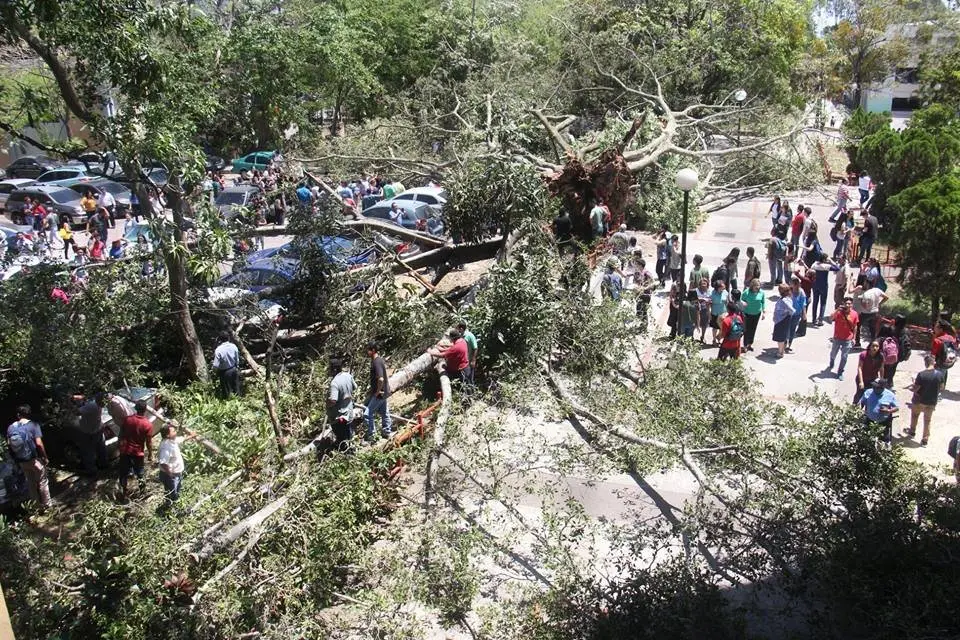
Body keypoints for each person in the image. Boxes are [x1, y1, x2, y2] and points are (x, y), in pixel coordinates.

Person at [6, 404, 51, 510]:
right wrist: (45, 457)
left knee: (30, 483)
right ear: (29, 414)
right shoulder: (33, 425)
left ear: (18, 415)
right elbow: (39, 444)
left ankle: (36, 506)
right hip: (34, 460)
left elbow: (9, 444)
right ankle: (47, 505)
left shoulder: (11, 428)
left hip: (21, 461)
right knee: (42, 481)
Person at [118, 400, 153, 499]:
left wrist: (120, 446)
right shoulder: (147, 424)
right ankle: (143, 492)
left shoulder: (127, 420)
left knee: (123, 472)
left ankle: (124, 492)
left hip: (125, 451)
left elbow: (121, 434)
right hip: (138, 453)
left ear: (135, 408)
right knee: (140, 473)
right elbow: (149, 442)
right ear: (145, 409)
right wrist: (150, 453)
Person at [905, 355, 943, 447]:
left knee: (915, 416)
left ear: (925, 363)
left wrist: (912, 386)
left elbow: (916, 389)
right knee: (927, 420)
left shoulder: (921, 374)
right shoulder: (940, 374)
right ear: (934, 362)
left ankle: (912, 432)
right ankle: (925, 439)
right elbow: (942, 388)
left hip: (920, 401)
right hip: (932, 402)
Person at [364, 341, 392, 442]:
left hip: (380, 393)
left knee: (367, 414)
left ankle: (372, 436)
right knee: (384, 412)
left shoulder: (376, 362)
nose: (367, 352)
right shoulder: (378, 360)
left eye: (368, 350)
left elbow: (381, 379)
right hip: (384, 392)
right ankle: (387, 431)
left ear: (373, 350)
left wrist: (377, 391)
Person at [327, 357, 357, 449]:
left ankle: (346, 453)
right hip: (349, 412)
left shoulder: (334, 383)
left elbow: (333, 401)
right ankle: (351, 449)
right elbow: (355, 387)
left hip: (339, 417)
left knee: (342, 439)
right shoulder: (348, 375)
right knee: (349, 435)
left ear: (333, 369)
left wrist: (327, 403)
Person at [860, 377, 898, 448]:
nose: (874, 388)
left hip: (883, 422)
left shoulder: (890, 395)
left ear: (882, 387)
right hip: (869, 420)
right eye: (873, 386)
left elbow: (896, 407)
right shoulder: (868, 392)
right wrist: (859, 410)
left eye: (876, 387)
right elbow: (862, 402)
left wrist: (888, 411)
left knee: (883, 441)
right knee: (866, 439)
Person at [827, 296, 859, 380]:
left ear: (852, 305)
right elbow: (830, 318)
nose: (848, 305)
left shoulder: (854, 314)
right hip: (837, 337)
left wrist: (854, 338)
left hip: (848, 339)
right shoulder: (839, 312)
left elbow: (855, 326)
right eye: (846, 303)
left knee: (844, 356)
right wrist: (837, 310)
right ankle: (832, 360)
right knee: (833, 353)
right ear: (843, 304)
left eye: (849, 304)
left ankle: (840, 372)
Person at [76, 393, 107, 476]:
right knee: (101, 448)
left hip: (88, 432)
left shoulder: (92, 406)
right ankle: (103, 465)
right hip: (98, 429)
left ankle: (92, 471)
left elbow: (77, 412)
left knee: (88, 452)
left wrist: (71, 405)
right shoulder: (98, 405)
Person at [157, 424, 186, 508]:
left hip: (174, 474)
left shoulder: (171, 441)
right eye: (173, 431)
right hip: (170, 475)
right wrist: (170, 474)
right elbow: (163, 462)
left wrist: (191, 436)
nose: (175, 432)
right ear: (167, 435)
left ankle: (171, 506)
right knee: (173, 493)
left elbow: (179, 440)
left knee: (173, 491)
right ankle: (172, 508)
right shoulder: (166, 446)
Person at [809, 253, 837, 326]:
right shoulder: (826, 266)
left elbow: (811, 268)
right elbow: (837, 268)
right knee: (823, 303)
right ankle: (820, 320)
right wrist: (831, 261)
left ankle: (814, 319)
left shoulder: (814, 265)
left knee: (815, 302)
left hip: (815, 285)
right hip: (823, 286)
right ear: (825, 259)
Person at [212, 332, 241, 398]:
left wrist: (215, 372)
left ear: (220, 340)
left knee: (226, 392)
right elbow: (237, 359)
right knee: (236, 389)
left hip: (224, 373)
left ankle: (228, 405)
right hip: (234, 369)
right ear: (228, 338)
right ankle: (239, 404)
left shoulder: (218, 350)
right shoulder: (234, 346)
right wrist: (237, 367)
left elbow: (215, 365)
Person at [931, 320, 958, 388]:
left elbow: (933, 355)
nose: (934, 328)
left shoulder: (938, 340)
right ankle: (942, 388)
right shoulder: (951, 338)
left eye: (936, 327)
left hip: (939, 363)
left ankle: (937, 392)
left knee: (937, 378)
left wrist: (930, 365)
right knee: (943, 373)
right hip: (948, 362)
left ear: (941, 329)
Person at [741, 278, 765, 352]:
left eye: (758, 286)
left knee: (753, 329)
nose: (757, 287)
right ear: (752, 285)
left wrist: (763, 312)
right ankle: (745, 345)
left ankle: (750, 344)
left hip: (757, 313)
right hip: (747, 313)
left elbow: (763, 302)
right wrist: (743, 303)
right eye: (756, 286)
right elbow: (741, 300)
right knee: (746, 330)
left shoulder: (761, 293)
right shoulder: (747, 292)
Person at [772, 283, 794, 358]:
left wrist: (785, 314)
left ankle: (780, 352)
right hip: (781, 320)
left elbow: (792, 310)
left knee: (780, 338)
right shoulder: (787, 298)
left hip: (781, 320)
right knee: (782, 337)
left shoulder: (784, 300)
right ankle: (781, 351)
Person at [633, 259, 656, 331]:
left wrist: (644, 288)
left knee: (643, 310)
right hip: (639, 294)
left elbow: (653, 283)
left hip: (645, 295)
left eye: (636, 264)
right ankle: (642, 325)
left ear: (640, 265)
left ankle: (644, 326)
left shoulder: (647, 273)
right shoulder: (637, 273)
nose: (635, 266)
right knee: (639, 310)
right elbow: (636, 283)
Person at [786, 275, 807, 353]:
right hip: (788, 314)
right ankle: (784, 344)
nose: (795, 285)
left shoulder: (801, 292)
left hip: (797, 314)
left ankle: (789, 346)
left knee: (792, 330)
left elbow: (803, 303)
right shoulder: (788, 291)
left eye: (796, 284)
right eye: (793, 283)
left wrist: (804, 314)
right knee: (787, 329)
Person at [709, 280, 729, 345]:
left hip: (723, 313)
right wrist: (709, 313)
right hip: (715, 313)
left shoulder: (725, 292)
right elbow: (709, 303)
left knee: (722, 328)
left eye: (723, 287)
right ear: (717, 288)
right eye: (721, 287)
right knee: (715, 328)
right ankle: (714, 340)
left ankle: (719, 339)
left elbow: (727, 302)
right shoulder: (712, 293)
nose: (723, 288)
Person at [695, 277, 711, 343]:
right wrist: (700, 299)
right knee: (695, 323)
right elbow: (693, 299)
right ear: (700, 284)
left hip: (705, 309)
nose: (704, 285)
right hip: (696, 309)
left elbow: (711, 300)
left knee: (704, 324)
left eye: (705, 283)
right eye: (702, 283)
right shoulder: (696, 290)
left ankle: (703, 336)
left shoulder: (709, 291)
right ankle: (691, 336)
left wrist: (709, 302)